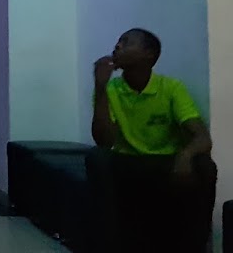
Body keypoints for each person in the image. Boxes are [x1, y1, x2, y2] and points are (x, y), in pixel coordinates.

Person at [89, 28, 217, 253]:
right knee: (96, 158)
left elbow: (202, 138)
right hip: (128, 163)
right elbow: (104, 141)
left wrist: (185, 156)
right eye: (118, 42)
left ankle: (196, 246)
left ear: (149, 54)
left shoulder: (171, 88)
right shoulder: (110, 90)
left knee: (205, 166)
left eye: (126, 42)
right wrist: (100, 89)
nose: (117, 46)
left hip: (165, 163)